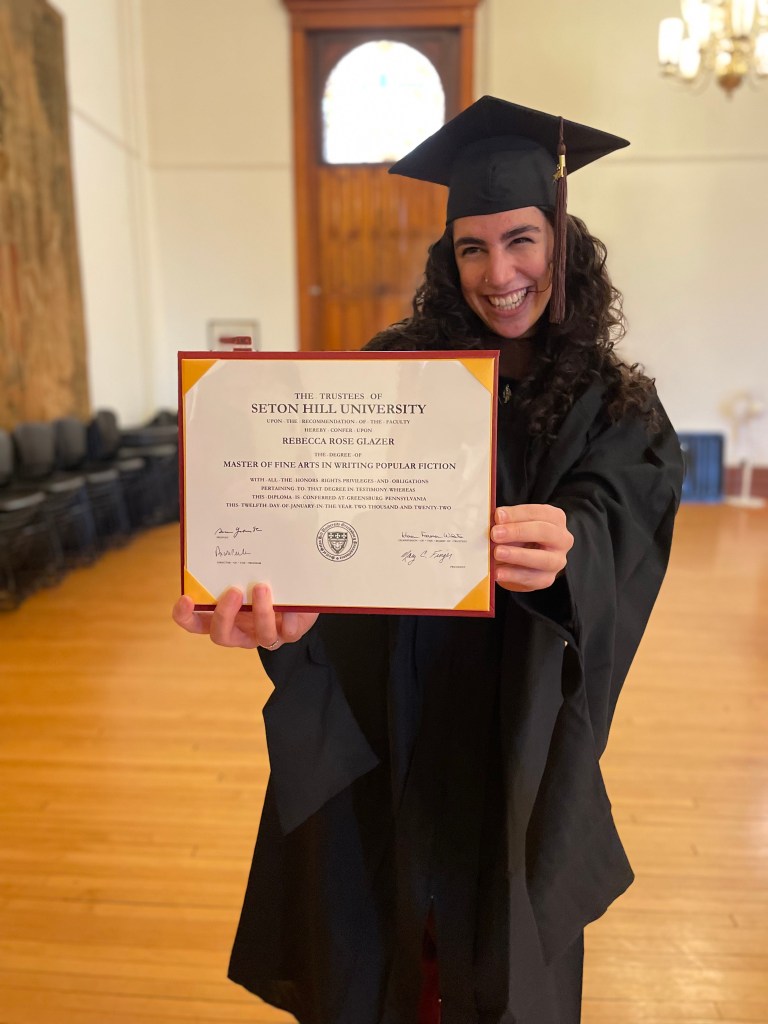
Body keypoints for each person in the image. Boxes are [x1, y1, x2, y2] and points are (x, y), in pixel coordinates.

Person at [172, 97, 684, 1024]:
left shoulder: (618, 411)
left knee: (502, 962)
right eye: (473, 248)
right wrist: (287, 618)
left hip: (516, 736)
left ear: (564, 240)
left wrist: (571, 552)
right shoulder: (393, 378)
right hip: (393, 721)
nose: (501, 274)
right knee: (379, 956)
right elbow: (323, 529)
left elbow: (621, 523)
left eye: (522, 240)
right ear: (449, 259)